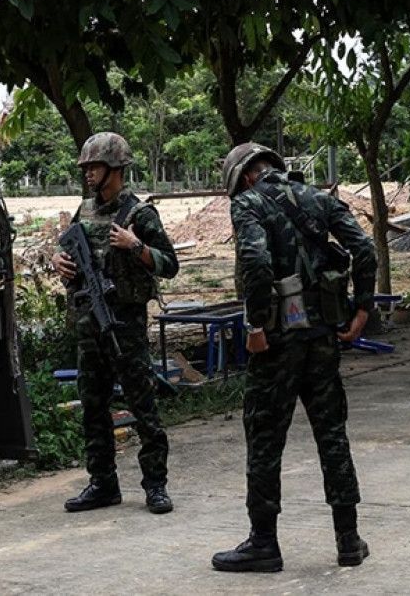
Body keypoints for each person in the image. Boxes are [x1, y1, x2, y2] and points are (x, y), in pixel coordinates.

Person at [212, 142, 376, 572]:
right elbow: (364, 248)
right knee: (332, 434)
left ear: (244, 177)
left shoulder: (248, 203)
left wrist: (256, 327)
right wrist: (362, 308)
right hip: (322, 337)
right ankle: (349, 540)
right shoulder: (319, 198)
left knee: (265, 438)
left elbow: (255, 262)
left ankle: (264, 543)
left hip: (277, 344)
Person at [51, 132, 180, 514]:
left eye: (94, 166)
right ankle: (102, 483)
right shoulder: (84, 211)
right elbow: (67, 248)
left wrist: (135, 246)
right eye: (86, 167)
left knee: (143, 406)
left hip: (125, 325)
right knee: (93, 406)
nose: (88, 173)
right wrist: (59, 261)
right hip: (89, 324)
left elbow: (170, 265)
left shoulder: (139, 215)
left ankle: (155, 486)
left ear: (115, 169)